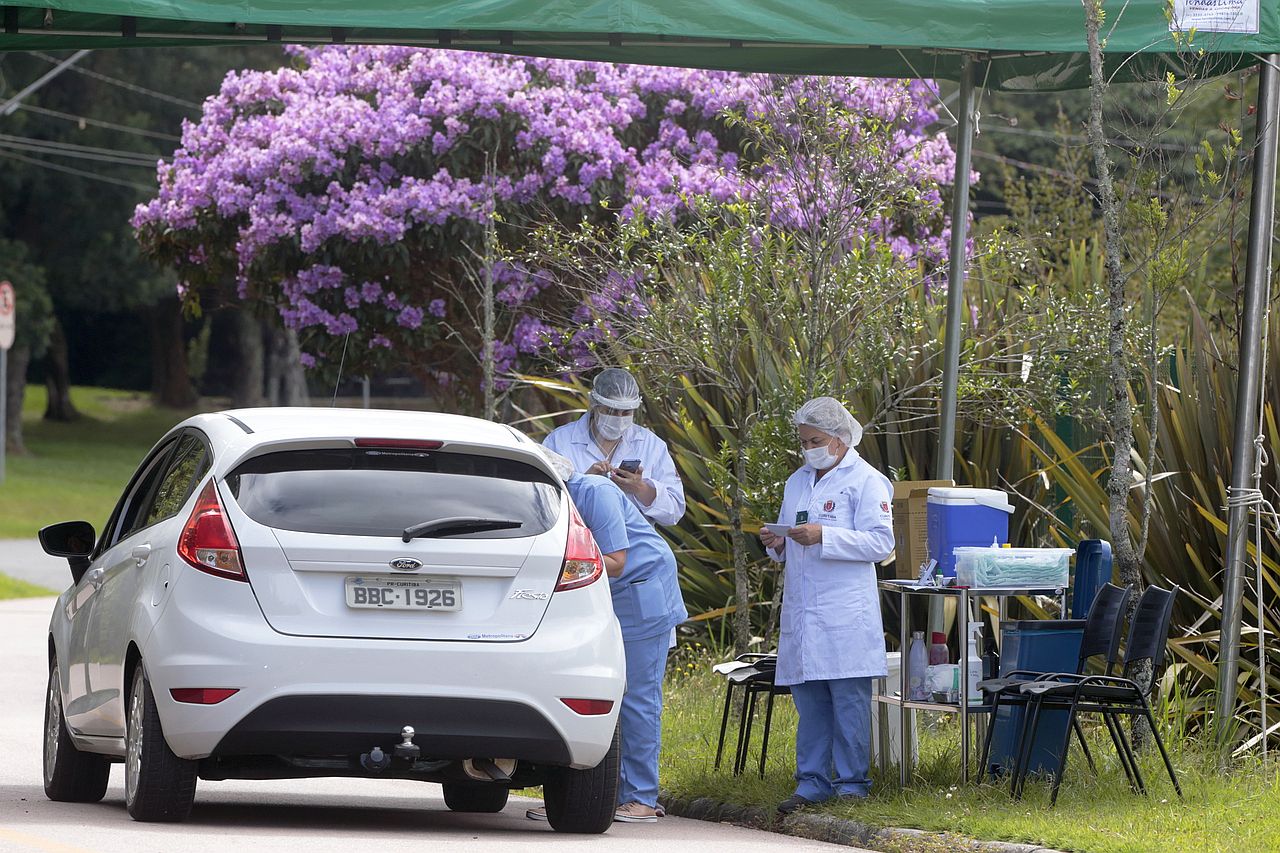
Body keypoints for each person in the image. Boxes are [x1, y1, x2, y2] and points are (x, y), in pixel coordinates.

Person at [528, 448, 688, 824]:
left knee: (637, 695)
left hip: (641, 589)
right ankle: (584, 796)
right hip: (598, 592)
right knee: (587, 691)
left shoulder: (594, 492)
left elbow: (616, 561)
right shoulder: (550, 503)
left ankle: (642, 797)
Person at [758, 397, 894, 814]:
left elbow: (882, 543)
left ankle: (852, 784)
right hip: (803, 611)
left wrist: (826, 537)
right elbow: (792, 535)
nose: (808, 448)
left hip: (845, 613)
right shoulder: (797, 480)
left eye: (814, 440)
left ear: (839, 440)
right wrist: (778, 542)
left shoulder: (867, 481)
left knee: (848, 701)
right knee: (810, 700)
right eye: (803, 441)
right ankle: (811, 782)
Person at [543, 367, 686, 527]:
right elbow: (544, 504)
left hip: (635, 546)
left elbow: (674, 511)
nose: (619, 418)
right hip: (580, 544)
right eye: (611, 411)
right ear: (595, 405)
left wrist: (641, 488)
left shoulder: (651, 445)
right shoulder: (559, 441)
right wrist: (583, 484)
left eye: (626, 413)